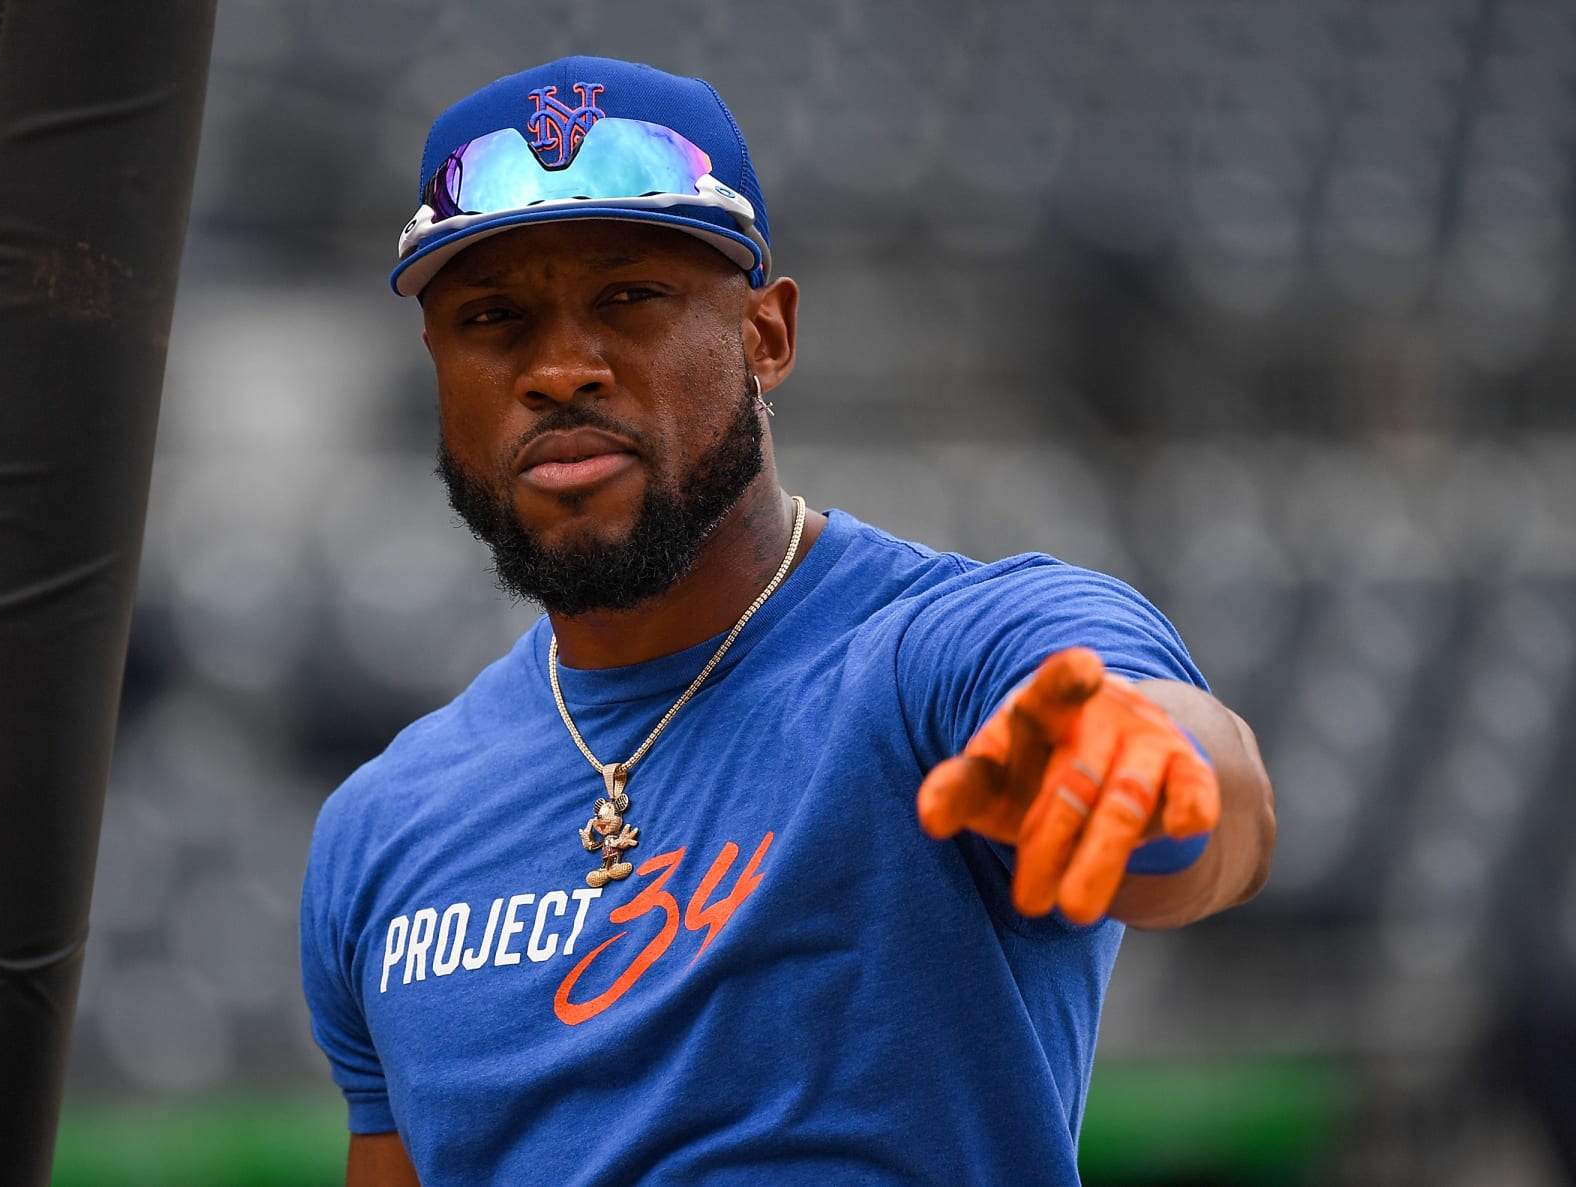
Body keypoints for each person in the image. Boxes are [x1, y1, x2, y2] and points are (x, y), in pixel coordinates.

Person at [300, 55, 1277, 1187]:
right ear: (438, 365)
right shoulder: (381, 828)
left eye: (630, 297)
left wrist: (1161, 778)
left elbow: (1202, 794)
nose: (560, 367)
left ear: (767, 334)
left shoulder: (943, 653)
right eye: (494, 318)